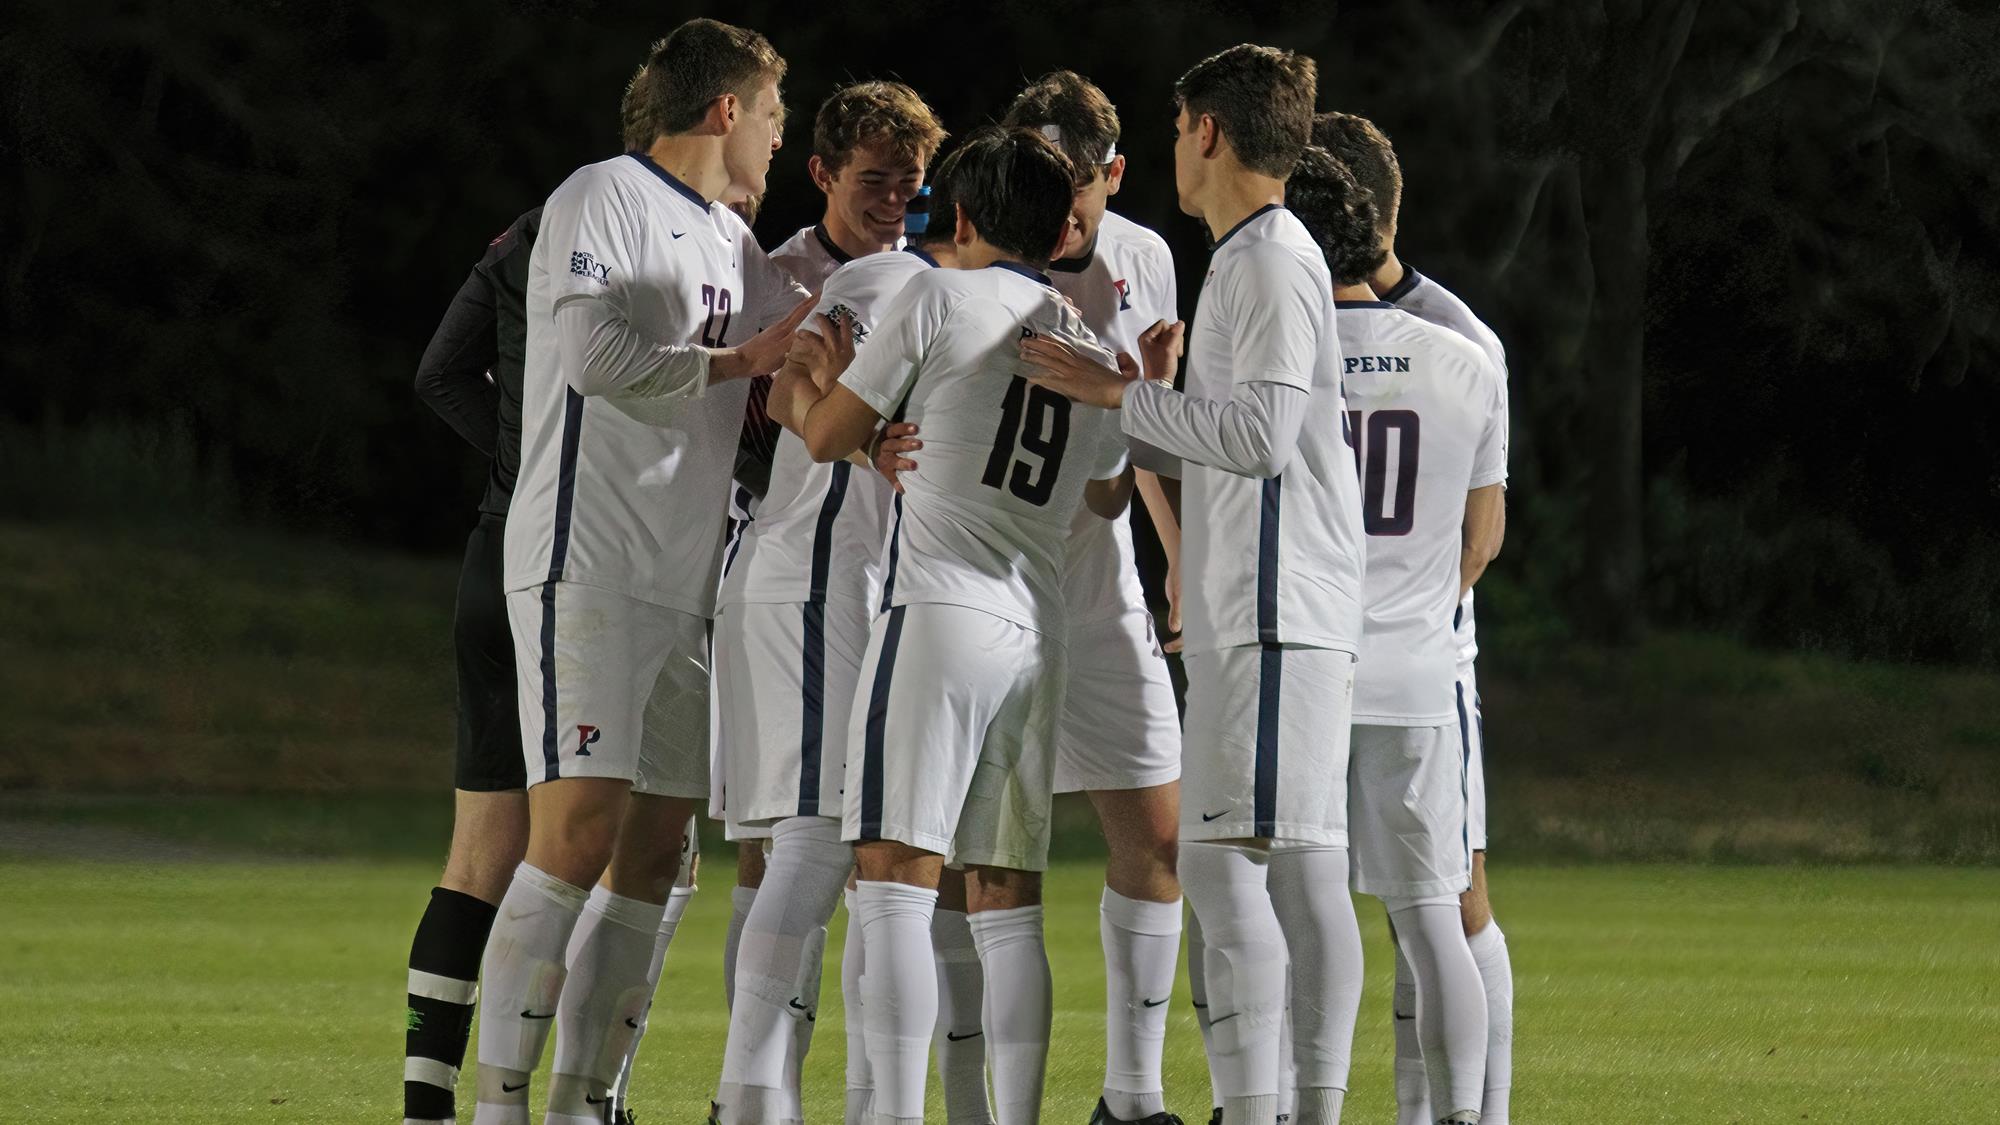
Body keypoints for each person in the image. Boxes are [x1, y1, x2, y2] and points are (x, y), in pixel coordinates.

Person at [1018, 44, 1366, 1125]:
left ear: (1205, 130)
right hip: (1262, 603)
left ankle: (1253, 1111)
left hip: (1270, 605)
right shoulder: (1250, 254)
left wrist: (1117, 394)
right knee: (1297, 875)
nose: (1173, 147)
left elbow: (1258, 439)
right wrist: (1153, 401)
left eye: (1175, 129)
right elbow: (1225, 436)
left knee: (1223, 872)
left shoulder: (1262, 259)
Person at [473, 20, 811, 1125]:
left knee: (662, 852)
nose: (776, 132)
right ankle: (499, 1102)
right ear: (722, 110)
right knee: (572, 833)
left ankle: (581, 1100)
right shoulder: (601, 196)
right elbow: (595, 359)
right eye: (770, 112)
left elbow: (801, 358)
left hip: (690, 574)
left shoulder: (729, 238)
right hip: (591, 561)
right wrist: (743, 359)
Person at [776, 125, 1132, 1125]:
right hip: (1036, 625)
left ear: (961, 216)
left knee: (889, 876)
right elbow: (1104, 498)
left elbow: (824, 436)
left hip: (938, 608)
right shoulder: (1086, 334)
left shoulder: (931, 294)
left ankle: (888, 1115)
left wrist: (815, 370)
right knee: (1006, 899)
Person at [708, 82, 947, 1125]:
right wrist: (850, 417)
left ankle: (825, 1102)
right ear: (822, 174)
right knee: (797, 847)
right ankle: (750, 1099)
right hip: (804, 573)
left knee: (861, 860)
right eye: (874, 179)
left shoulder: (916, 279)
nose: (895, 197)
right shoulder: (801, 277)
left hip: (866, 585)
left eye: (911, 181)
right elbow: (763, 408)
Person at [1290, 144, 1507, 1125]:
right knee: (1431, 916)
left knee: (1310, 906)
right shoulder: (1466, 356)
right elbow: (1483, 533)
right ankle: (1464, 1116)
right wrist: (1418, 605)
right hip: (1418, 669)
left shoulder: (1277, 355)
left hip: (1307, 662)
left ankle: (1309, 1110)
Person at [1003, 71, 1187, 1125]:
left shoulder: (1146, 259)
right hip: (982, 577)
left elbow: (1150, 437)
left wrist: (1178, 570)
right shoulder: (969, 251)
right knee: (971, 860)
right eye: (1035, 173)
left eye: (1073, 181)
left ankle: (1131, 1098)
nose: (1055, 202)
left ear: (1112, 174)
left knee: (1156, 832)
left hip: (1095, 577)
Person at [403, 206, 538, 1125]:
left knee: (478, 854)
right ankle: (563, 1097)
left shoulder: (524, 236)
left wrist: (515, 460)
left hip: (492, 552)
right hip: (577, 567)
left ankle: (426, 1104)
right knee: (601, 859)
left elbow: (439, 373)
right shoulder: (666, 236)